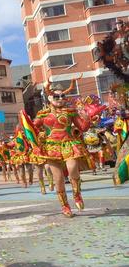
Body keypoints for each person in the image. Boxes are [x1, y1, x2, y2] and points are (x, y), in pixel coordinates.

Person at [32, 80, 103, 217]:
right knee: (58, 179)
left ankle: (77, 194)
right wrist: (32, 131)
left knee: (72, 168)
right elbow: (33, 128)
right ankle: (65, 206)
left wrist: (87, 117)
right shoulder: (42, 114)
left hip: (68, 143)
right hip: (51, 147)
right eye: (56, 97)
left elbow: (83, 128)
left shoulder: (70, 112)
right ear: (49, 98)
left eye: (62, 96)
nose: (60, 99)